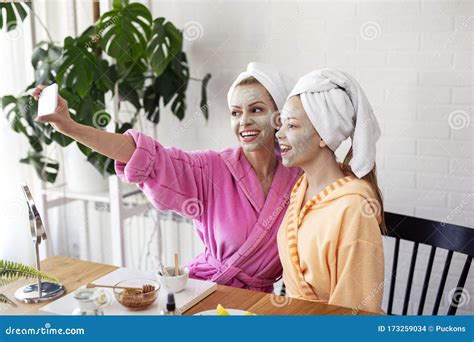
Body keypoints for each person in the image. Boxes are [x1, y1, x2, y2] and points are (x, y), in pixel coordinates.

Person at [33, 62, 301, 293]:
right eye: (235, 112)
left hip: (258, 302)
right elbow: (142, 154)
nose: (244, 121)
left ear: (279, 117)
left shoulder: (299, 179)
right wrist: (70, 126)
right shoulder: (213, 169)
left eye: (256, 110)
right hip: (204, 291)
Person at [276, 69, 385, 312]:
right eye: (281, 124)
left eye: (291, 125)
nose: (279, 134)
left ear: (324, 136)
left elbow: (356, 310)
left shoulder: (354, 209)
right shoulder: (301, 190)